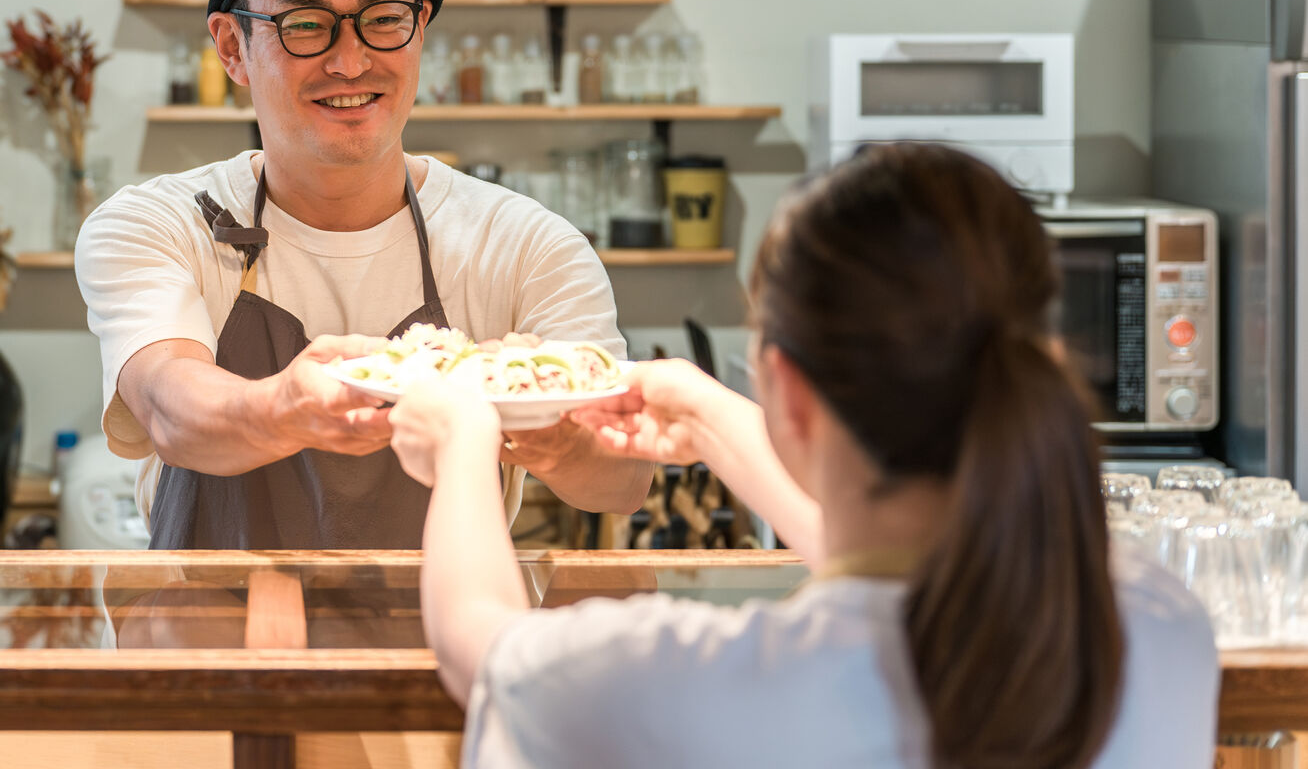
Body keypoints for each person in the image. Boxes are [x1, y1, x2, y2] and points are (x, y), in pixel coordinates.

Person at [389, 143, 1220, 767]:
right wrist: (713, 422)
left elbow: (479, 646)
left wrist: (466, 442)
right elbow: (905, 573)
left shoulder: (674, 679)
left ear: (785, 389)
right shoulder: (1156, 626)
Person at [75, 0, 651, 549]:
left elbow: (621, 481)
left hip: (445, 640)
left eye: (382, 20)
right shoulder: (159, 225)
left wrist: (547, 431)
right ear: (231, 47)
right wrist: (287, 408)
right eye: (306, 26)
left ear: (420, 28)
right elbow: (171, 407)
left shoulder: (526, 245)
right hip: (207, 639)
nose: (350, 62)